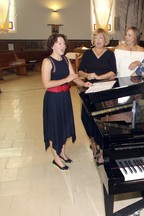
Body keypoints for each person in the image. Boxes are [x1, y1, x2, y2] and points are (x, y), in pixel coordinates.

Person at [42, 33, 92, 170]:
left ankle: (62, 152)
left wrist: (84, 84)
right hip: (53, 99)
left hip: (65, 96)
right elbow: (46, 83)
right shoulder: (47, 62)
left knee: (64, 124)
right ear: (52, 45)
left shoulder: (65, 60)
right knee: (54, 127)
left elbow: (74, 77)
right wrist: (66, 79)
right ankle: (56, 158)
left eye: (64, 43)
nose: (63, 46)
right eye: (59, 43)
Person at [78, 28, 117, 165]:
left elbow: (113, 72)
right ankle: (93, 143)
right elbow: (80, 71)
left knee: (102, 120)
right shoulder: (88, 53)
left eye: (101, 38)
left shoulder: (110, 54)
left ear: (105, 40)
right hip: (89, 87)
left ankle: (103, 148)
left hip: (105, 89)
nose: (98, 40)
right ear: (93, 40)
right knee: (87, 117)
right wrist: (87, 75)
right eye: (96, 38)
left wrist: (100, 77)